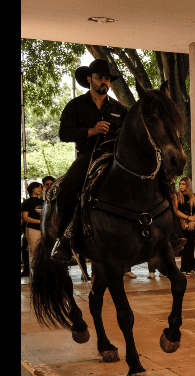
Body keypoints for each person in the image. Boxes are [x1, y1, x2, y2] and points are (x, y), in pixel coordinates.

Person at [51, 59, 129, 262]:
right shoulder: (76, 105)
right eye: (100, 77)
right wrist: (90, 131)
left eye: (107, 78)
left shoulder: (119, 108)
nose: (104, 81)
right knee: (67, 188)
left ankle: (161, 236)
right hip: (89, 156)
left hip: (117, 157)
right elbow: (63, 134)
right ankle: (63, 241)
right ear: (89, 79)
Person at [174, 176, 195, 276]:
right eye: (180, 184)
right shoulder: (177, 196)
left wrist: (193, 220)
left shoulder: (193, 196)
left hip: (193, 224)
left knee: (191, 245)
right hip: (181, 223)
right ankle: (192, 264)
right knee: (184, 246)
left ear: (188, 185)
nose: (181, 186)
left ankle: (187, 268)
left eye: (183, 184)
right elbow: (176, 210)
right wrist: (188, 218)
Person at [21, 182, 44, 272]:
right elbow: (25, 218)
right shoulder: (27, 202)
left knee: (44, 252)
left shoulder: (43, 202)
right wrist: (40, 222)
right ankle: (34, 273)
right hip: (32, 229)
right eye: (38, 188)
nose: (40, 189)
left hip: (44, 229)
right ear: (32, 189)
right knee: (34, 252)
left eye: (41, 188)